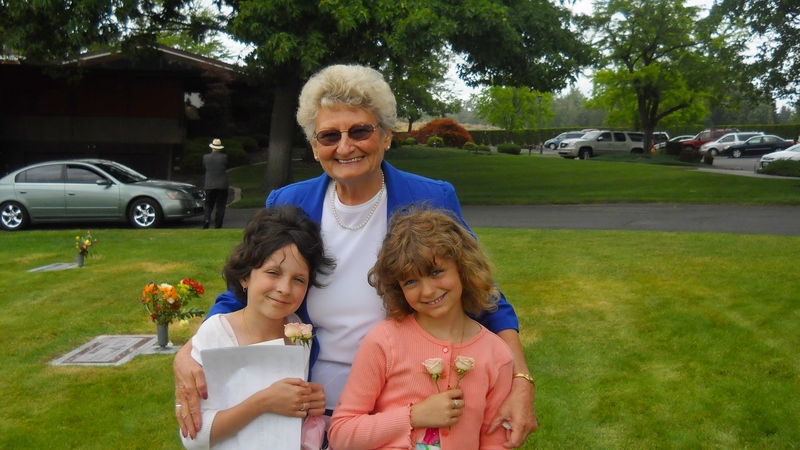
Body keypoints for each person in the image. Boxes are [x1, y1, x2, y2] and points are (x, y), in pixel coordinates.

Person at [174, 64, 538, 448]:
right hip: (308, 404)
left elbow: (484, 296)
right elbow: (244, 292)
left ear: (385, 136)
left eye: (360, 131)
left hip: (407, 402)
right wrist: (192, 350)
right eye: (329, 135)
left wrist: (520, 380)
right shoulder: (289, 202)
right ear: (315, 147)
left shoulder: (431, 198)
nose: (345, 147)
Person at [328, 207, 514, 449]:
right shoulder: (384, 341)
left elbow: (494, 443)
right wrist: (414, 416)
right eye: (411, 281)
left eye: (436, 272)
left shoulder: (496, 355)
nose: (427, 291)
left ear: (463, 267)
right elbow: (341, 433)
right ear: (398, 288)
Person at [179, 205, 335, 449]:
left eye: (298, 279)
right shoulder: (216, 334)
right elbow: (194, 438)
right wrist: (264, 402)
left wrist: (309, 404)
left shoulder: (298, 331)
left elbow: (289, 412)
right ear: (244, 275)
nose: (284, 288)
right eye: (273, 272)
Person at [202, 138, 229, 229]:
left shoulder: (206, 157)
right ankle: (218, 225)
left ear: (212, 147)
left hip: (209, 184)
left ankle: (206, 220)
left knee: (208, 204)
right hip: (222, 185)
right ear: (220, 148)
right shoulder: (224, 157)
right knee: (221, 205)